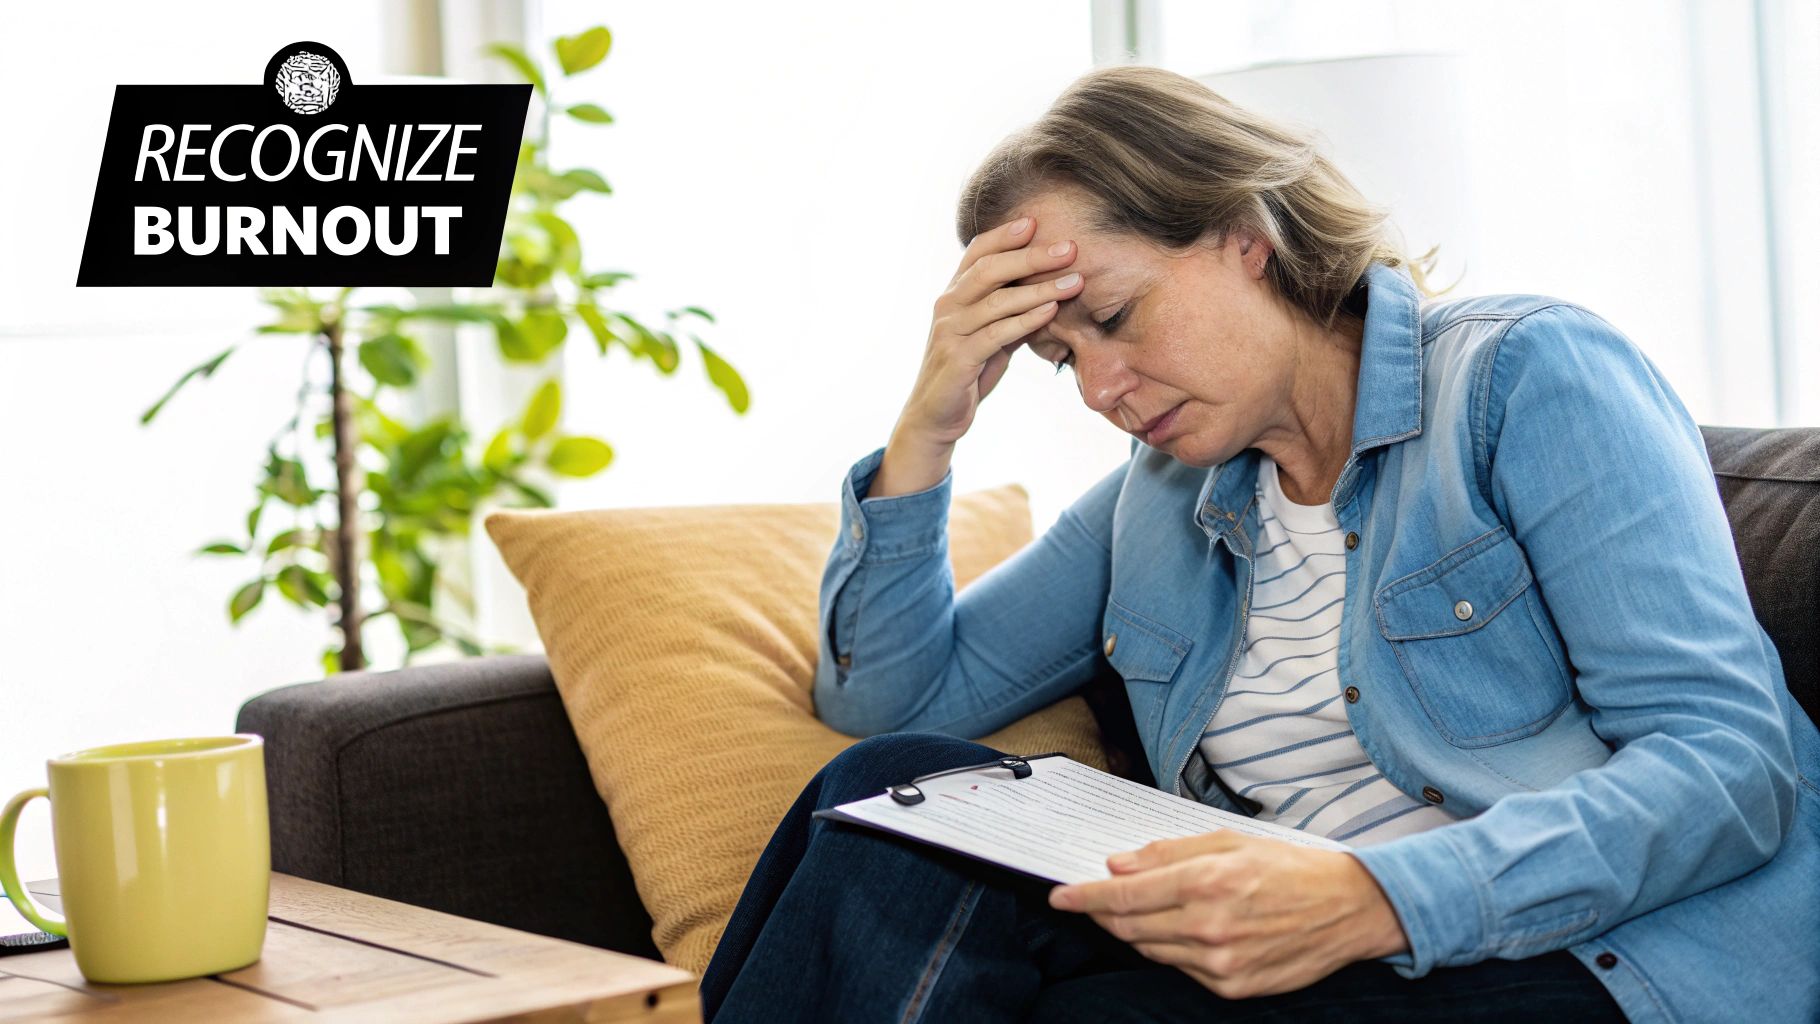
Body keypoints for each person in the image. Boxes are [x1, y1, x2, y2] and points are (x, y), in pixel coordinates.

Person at [699, 65, 1820, 1023]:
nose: (1098, 388)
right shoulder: (1158, 495)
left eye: (1116, 318)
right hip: (1299, 963)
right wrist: (928, 428)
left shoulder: (1522, 378)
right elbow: (888, 702)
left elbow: (1727, 766)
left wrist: (1370, 896)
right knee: (895, 791)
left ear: (1248, 235)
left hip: (1587, 957)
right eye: (1055, 358)